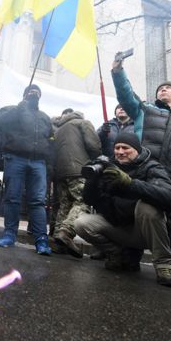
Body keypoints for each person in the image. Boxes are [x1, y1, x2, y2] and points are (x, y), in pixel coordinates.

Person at [111, 57, 171, 281]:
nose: (163, 90)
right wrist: (118, 72)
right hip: (146, 173)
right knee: (135, 214)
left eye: (168, 88)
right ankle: (130, 257)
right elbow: (126, 96)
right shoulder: (146, 111)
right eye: (160, 88)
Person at [74, 132, 171, 288]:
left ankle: (165, 265)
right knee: (81, 223)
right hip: (118, 227)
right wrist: (92, 181)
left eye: (126, 147)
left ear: (137, 149)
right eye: (117, 148)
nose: (120, 152)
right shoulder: (108, 167)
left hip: (146, 232)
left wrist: (130, 183)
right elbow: (91, 200)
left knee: (147, 207)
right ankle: (117, 254)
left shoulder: (151, 166)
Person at [0, 84, 53, 255]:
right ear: (24, 95)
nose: (34, 94)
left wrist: (48, 163)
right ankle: (9, 235)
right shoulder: (15, 110)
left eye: (37, 93)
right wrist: (21, 106)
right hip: (15, 159)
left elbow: (50, 140)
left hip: (38, 162)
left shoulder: (44, 117)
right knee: (12, 197)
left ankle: (41, 241)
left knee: (38, 202)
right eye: (30, 92)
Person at [50, 108, 101, 258]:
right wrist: (98, 160)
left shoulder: (58, 129)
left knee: (65, 205)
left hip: (61, 172)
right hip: (79, 168)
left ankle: (58, 242)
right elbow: (93, 146)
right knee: (82, 201)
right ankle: (66, 232)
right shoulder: (83, 122)